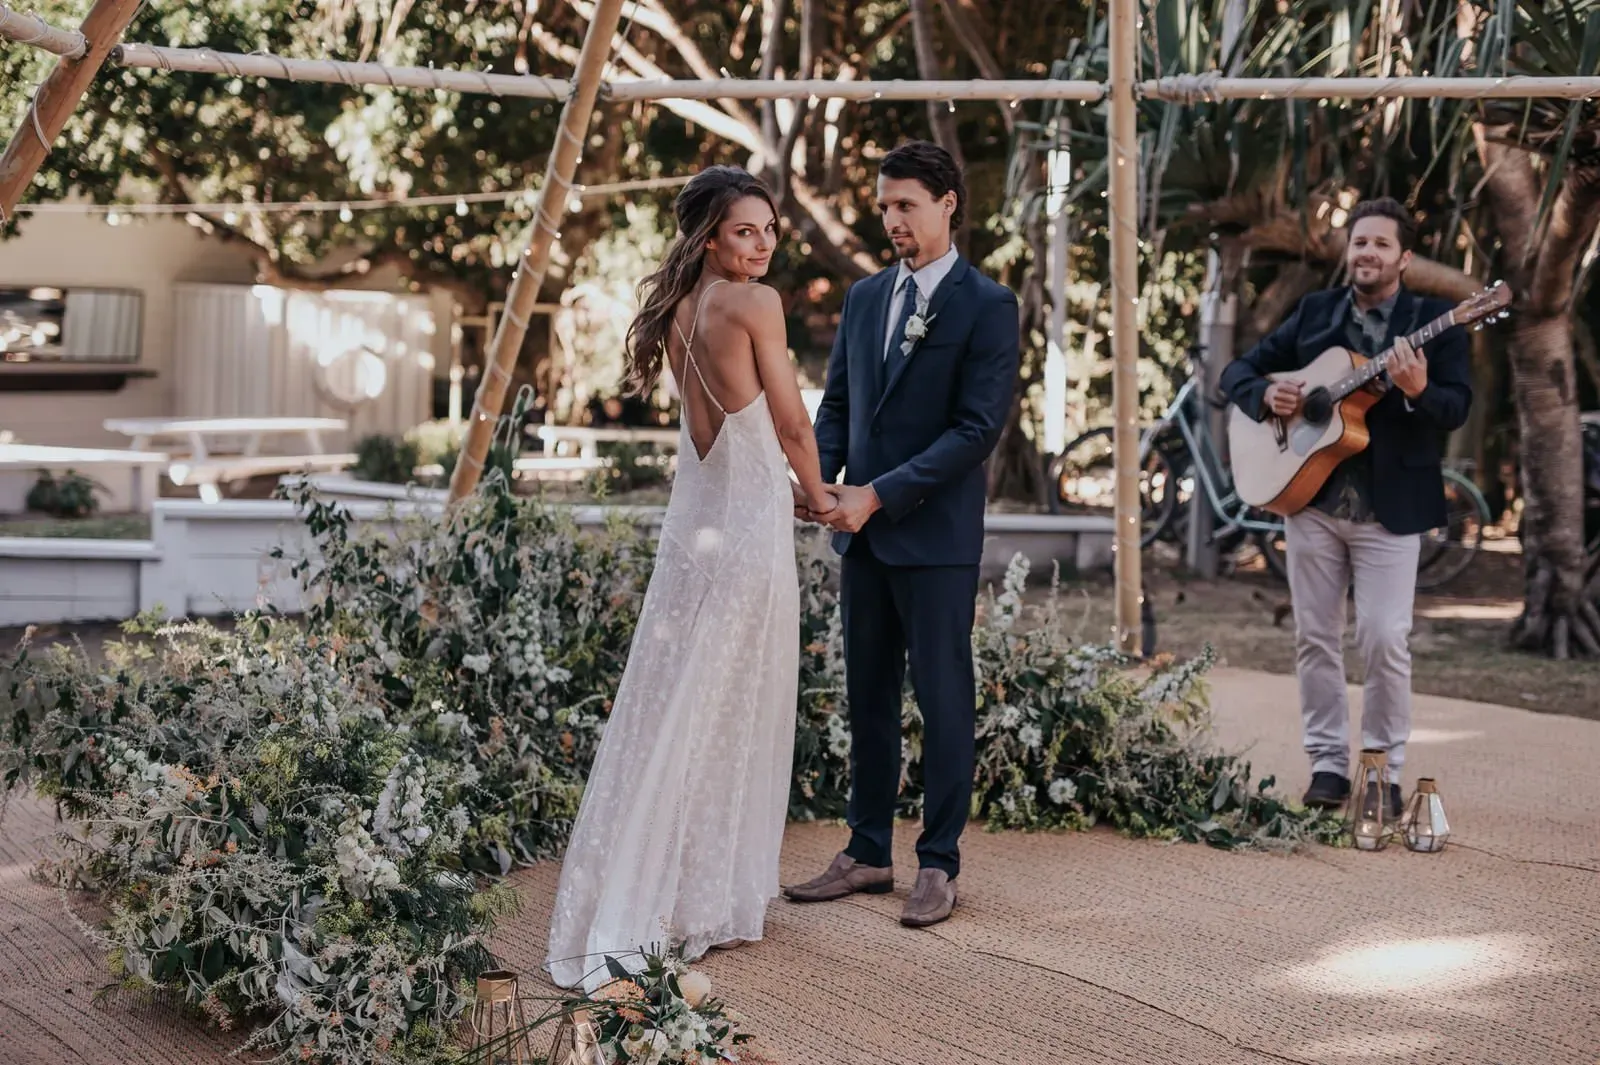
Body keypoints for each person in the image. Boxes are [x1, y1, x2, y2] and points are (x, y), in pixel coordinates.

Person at [544, 166, 839, 991]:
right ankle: (687, 896)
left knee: (677, 701)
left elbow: (727, 428)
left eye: (770, 230)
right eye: (746, 230)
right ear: (710, 237)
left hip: (699, 525)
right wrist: (819, 495)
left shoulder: (679, 308)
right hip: (745, 530)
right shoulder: (754, 303)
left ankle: (676, 889)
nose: (764, 243)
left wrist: (788, 487)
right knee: (726, 706)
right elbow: (789, 422)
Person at [783, 141, 1021, 928]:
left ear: (948, 203)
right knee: (869, 698)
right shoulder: (862, 298)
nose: (892, 219)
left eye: (905, 205)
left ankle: (938, 861)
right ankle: (867, 851)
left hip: (936, 539)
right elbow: (839, 405)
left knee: (945, 701)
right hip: (862, 538)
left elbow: (975, 430)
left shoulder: (989, 305)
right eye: (884, 206)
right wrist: (818, 482)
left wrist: (877, 495)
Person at [1219, 196, 1471, 814]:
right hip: (1313, 502)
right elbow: (1238, 372)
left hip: (1391, 511)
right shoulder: (1315, 312)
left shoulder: (1437, 321)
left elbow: (1455, 408)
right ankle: (1328, 765)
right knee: (1315, 637)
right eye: (1360, 242)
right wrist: (1266, 395)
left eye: (1382, 244)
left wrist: (1418, 390)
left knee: (1384, 638)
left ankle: (1383, 769)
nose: (1368, 253)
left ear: (1404, 258)